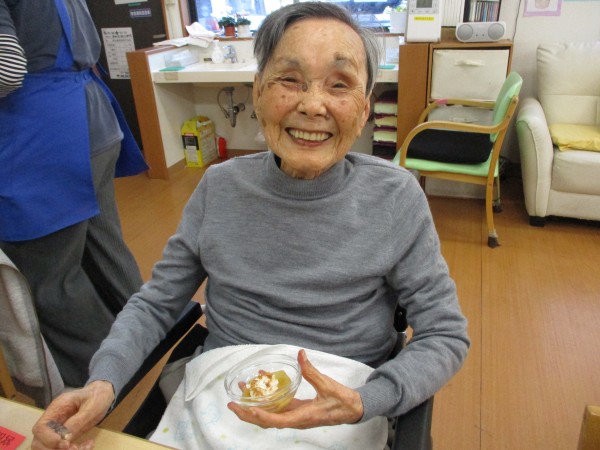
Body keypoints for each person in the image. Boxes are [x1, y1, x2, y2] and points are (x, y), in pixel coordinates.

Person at [31, 2, 470, 448]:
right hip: (223, 395)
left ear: (364, 109)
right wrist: (102, 382)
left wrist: (368, 399)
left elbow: (445, 333)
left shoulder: (395, 198)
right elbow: (157, 303)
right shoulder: (220, 186)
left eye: (339, 85)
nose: (312, 105)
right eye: (289, 80)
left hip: (339, 402)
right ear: (257, 91)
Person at [0, 0, 148, 388]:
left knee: (51, 278)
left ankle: (106, 380)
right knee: (104, 249)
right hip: (91, 122)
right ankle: (151, 344)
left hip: (41, 133)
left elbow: (6, 69)